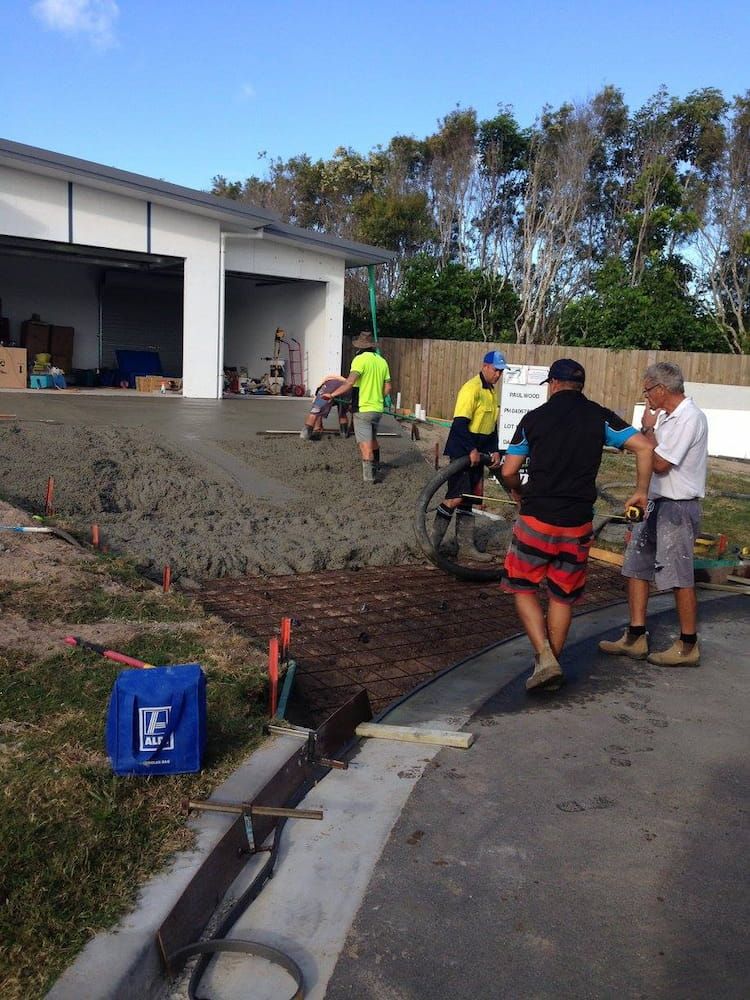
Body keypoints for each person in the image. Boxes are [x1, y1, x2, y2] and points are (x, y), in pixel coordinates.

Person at [501, 358, 653, 692]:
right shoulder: (598, 416)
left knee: (523, 587)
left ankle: (544, 656)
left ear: (553, 384)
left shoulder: (533, 419)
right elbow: (644, 446)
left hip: (536, 519)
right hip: (577, 524)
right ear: (579, 386)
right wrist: (641, 491)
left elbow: (510, 470)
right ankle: (550, 664)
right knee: (562, 596)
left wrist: (517, 490)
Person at [599, 362, 708, 667]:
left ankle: (688, 645)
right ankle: (635, 636)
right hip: (656, 502)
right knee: (636, 566)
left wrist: (645, 431)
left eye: (647, 390)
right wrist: (649, 432)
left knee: (678, 574)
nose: (646, 396)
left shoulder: (689, 418)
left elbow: (660, 463)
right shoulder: (668, 418)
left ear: (661, 389)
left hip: (677, 506)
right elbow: (653, 453)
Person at [431, 350, 507, 562]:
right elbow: (460, 424)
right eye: (496, 370)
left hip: (479, 452)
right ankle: (431, 546)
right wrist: (471, 449)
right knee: (456, 498)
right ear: (485, 366)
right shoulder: (471, 388)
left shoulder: (491, 392)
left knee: (469, 499)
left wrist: (495, 450)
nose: (498, 375)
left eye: (501, 372)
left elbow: (491, 428)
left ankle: (465, 548)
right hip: (463, 451)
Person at [324, 331, 391, 484]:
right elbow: (388, 387)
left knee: (365, 447)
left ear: (360, 347)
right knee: (373, 439)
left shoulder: (359, 360)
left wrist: (332, 395)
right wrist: (378, 397)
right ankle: (377, 466)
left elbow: (349, 382)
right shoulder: (382, 361)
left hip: (362, 409)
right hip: (377, 409)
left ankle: (369, 478)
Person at [300, 375, 352, 440]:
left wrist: (318, 428)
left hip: (331, 386)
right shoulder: (340, 380)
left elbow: (317, 410)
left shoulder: (321, 389)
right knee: (342, 413)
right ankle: (344, 434)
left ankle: (305, 436)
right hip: (346, 388)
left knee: (315, 412)